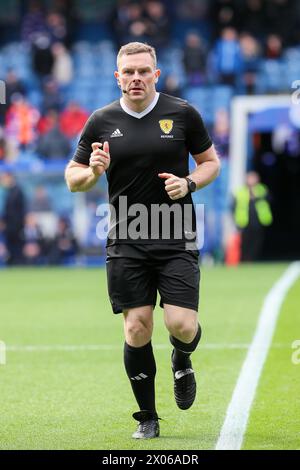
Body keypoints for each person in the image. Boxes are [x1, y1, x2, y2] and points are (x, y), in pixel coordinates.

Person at [65, 42, 220, 439]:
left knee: (182, 325)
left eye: (143, 71)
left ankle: (181, 358)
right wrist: (93, 172)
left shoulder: (183, 113)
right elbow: (73, 179)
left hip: (175, 234)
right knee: (137, 328)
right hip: (127, 237)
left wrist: (188, 183)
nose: (136, 78)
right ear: (117, 77)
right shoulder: (101, 120)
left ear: (157, 74)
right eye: (128, 72)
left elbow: (210, 164)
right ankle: (148, 417)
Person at [233, 171, 272, 262]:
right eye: (250, 178)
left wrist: (256, 196)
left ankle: (253, 259)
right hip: (244, 222)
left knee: (257, 242)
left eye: (253, 178)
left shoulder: (262, 189)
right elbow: (234, 206)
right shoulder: (241, 191)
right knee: (245, 242)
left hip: (259, 221)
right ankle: (245, 260)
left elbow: (269, 199)